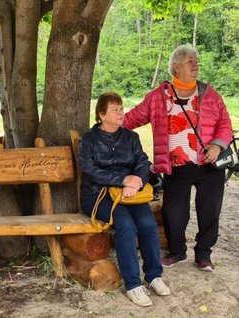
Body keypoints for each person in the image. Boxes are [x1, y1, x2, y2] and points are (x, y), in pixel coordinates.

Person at [124, 45, 233, 272]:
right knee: (174, 212)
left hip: (209, 164)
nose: (195, 65)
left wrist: (217, 144)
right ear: (175, 67)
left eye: (196, 61)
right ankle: (177, 251)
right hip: (176, 166)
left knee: (210, 210)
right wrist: (106, 128)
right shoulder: (157, 97)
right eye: (189, 61)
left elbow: (225, 123)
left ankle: (203, 254)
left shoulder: (209, 94)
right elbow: (132, 119)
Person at [80, 92, 170, 307]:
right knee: (126, 225)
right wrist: (123, 180)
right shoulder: (89, 139)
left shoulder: (131, 137)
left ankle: (154, 275)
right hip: (98, 195)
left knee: (148, 224)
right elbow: (90, 170)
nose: (121, 113)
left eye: (121, 109)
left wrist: (136, 182)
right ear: (102, 115)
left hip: (130, 194)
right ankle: (132, 284)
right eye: (115, 110)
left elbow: (142, 162)